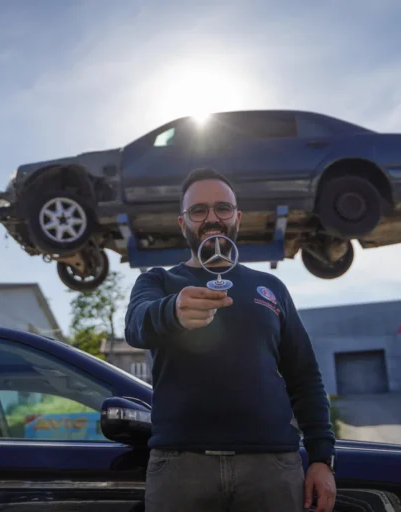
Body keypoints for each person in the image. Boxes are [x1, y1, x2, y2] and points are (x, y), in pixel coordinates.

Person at [125, 167, 337, 512]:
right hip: (181, 468)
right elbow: (136, 326)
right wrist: (173, 312)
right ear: (183, 223)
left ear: (237, 217)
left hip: (272, 467)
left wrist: (322, 458)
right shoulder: (158, 282)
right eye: (198, 210)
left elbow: (305, 377)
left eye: (222, 208)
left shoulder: (271, 289)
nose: (212, 218)